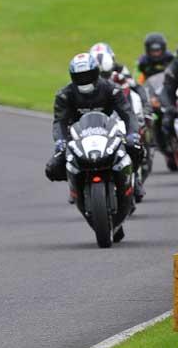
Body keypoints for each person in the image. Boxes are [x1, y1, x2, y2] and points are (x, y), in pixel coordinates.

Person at [45, 53, 141, 219]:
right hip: (78, 137)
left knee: (136, 149)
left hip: (110, 132)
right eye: (79, 76)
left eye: (88, 75)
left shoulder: (112, 90)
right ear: (72, 77)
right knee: (53, 168)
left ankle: (133, 180)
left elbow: (128, 114)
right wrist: (60, 141)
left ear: (96, 73)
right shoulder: (64, 95)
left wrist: (133, 134)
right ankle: (75, 187)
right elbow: (59, 121)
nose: (84, 80)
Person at [90, 43, 148, 201]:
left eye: (106, 73)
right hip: (97, 116)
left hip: (119, 113)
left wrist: (142, 110)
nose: (103, 77)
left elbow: (134, 91)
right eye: (100, 73)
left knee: (132, 142)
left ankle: (135, 179)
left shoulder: (120, 74)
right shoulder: (87, 80)